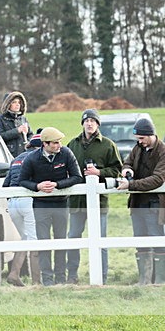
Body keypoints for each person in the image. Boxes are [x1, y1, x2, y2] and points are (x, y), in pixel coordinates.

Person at [18, 127, 83, 286]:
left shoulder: (66, 153)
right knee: (44, 243)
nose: (59, 145)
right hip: (41, 205)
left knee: (61, 241)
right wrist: (37, 186)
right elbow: (22, 180)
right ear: (45, 144)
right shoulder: (32, 158)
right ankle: (47, 280)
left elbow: (77, 177)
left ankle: (60, 278)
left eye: (59, 142)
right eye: (55, 143)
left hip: (61, 204)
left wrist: (58, 185)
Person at [65, 109, 122, 284]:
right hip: (76, 201)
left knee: (100, 240)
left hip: (99, 202)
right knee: (73, 238)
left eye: (93, 121)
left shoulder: (108, 145)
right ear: (82, 123)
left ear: (98, 124)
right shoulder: (72, 144)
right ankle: (72, 276)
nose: (89, 124)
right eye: (86, 121)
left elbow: (117, 170)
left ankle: (101, 276)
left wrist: (99, 172)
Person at [116, 117, 165, 285]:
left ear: (151, 135)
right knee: (140, 240)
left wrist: (131, 184)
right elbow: (127, 163)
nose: (139, 141)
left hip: (154, 204)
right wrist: (127, 170)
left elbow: (157, 179)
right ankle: (144, 280)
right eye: (137, 138)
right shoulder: (138, 148)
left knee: (157, 240)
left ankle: (159, 280)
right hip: (137, 203)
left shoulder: (163, 151)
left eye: (142, 138)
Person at [3, 134, 42, 286]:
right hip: (28, 200)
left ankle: (14, 273)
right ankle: (37, 282)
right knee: (34, 240)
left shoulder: (16, 159)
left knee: (25, 238)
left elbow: (6, 184)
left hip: (13, 203)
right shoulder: (37, 157)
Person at [0, 91, 31, 157]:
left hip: (24, 155)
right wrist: (17, 131)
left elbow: (31, 135)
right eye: (14, 102)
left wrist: (28, 142)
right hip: (8, 155)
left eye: (19, 102)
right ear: (8, 104)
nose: (17, 104)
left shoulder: (23, 118)